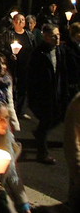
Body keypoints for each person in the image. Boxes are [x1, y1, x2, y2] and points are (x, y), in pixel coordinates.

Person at [27, 23, 68, 164]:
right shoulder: (39, 53)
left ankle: (39, 133)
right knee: (46, 120)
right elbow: (32, 76)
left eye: (58, 35)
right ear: (45, 37)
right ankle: (42, 153)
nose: (57, 38)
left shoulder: (59, 51)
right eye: (53, 36)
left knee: (56, 118)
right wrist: (33, 95)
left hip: (55, 91)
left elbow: (62, 72)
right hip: (43, 93)